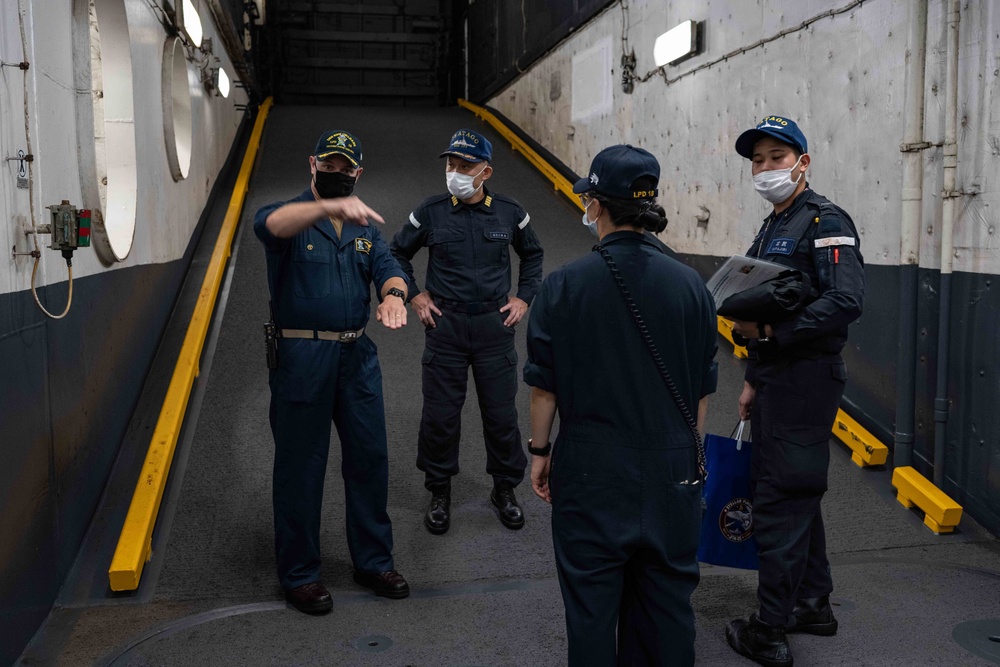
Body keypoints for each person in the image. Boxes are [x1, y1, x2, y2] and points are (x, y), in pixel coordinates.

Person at [525, 145, 718, 665]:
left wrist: (539, 452)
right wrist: (688, 454)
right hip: (672, 466)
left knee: (590, 609)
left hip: (591, 467)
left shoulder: (564, 286)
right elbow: (700, 389)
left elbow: (545, 388)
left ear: (596, 204)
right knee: (668, 607)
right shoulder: (692, 287)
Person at [724, 116, 865, 667]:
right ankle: (811, 603)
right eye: (757, 160)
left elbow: (845, 301)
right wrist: (755, 379)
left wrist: (772, 335)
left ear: (802, 162)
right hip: (778, 378)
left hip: (806, 378)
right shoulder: (771, 226)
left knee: (780, 497)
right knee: (795, 487)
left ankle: (770, 629)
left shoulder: (826, 220)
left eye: (776, 158)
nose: (765, 169)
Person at [254, 130, 411, 615]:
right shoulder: (295, 216)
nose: (338, 173)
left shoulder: (365, 228)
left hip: (355, 357)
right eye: (330, 164)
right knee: (301, 466)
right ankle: (300, 574)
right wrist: (327, 208)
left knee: (369, 458)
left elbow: (390, 266)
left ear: (358, 173)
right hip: (303, 358)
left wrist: (392, 295)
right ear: (313, 164)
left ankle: (372, 560)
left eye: (347, 168)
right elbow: (270, 224)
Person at [390, 129, 544, 534]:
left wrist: (524, 297)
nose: (455, 172)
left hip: (495, 327)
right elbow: (395, 253)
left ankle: (504, 489)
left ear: (486, 171)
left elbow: (533, 254)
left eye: (465, 166)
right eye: (450, 165)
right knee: (440, 415)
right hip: (446, 327)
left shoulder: (510, 212)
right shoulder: (430, 211)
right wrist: (416, 297)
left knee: (501, 415)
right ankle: (439, 490)